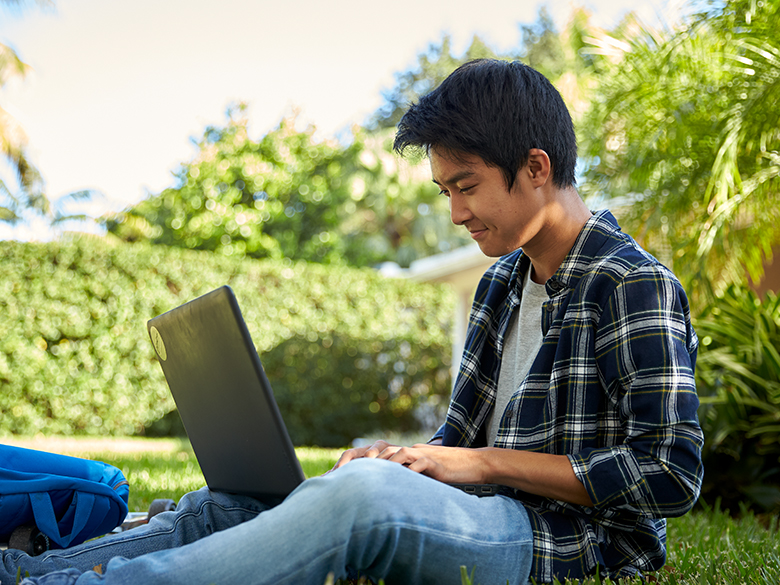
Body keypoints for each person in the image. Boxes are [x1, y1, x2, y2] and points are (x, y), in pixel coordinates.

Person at [2, 59, 703, 585]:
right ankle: (30, 572)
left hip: (570, 542)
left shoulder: (630, 283)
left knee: (363, 500)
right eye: (445, 191)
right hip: (482, 513)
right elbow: (456, 443)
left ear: (536, 167)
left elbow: (670, 471)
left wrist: (477, 463)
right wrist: (401, 459)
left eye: (466, 186)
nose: (456, 212)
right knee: (239, 499)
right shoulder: (502, 283)